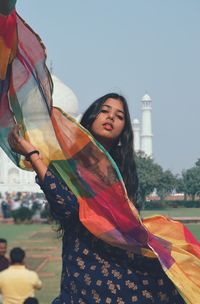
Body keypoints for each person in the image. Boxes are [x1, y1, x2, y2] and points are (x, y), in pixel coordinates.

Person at [7, 93, 185, 304]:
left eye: (119, 116)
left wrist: (33, 155)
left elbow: (123, 223)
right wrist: (33, 154)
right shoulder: (66, 163)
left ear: (123, 131)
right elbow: (68, 208)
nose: (110, 117)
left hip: (116, 269)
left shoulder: (120, 173)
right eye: (104, 111)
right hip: (82, 267)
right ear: (91, 117)